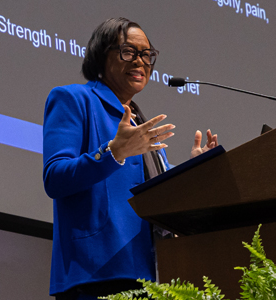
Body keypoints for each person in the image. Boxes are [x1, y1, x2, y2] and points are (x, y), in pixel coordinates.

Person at [43, 17, 218, 300]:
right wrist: (114, 153)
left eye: (147, 55)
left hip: (151, 275)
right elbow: (55, 177)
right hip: (95, 273)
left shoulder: (139, 122)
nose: (140, 62)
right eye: (128, 52)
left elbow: (153, 187)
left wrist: (193, 169)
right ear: (102, 56)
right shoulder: (74, 99)